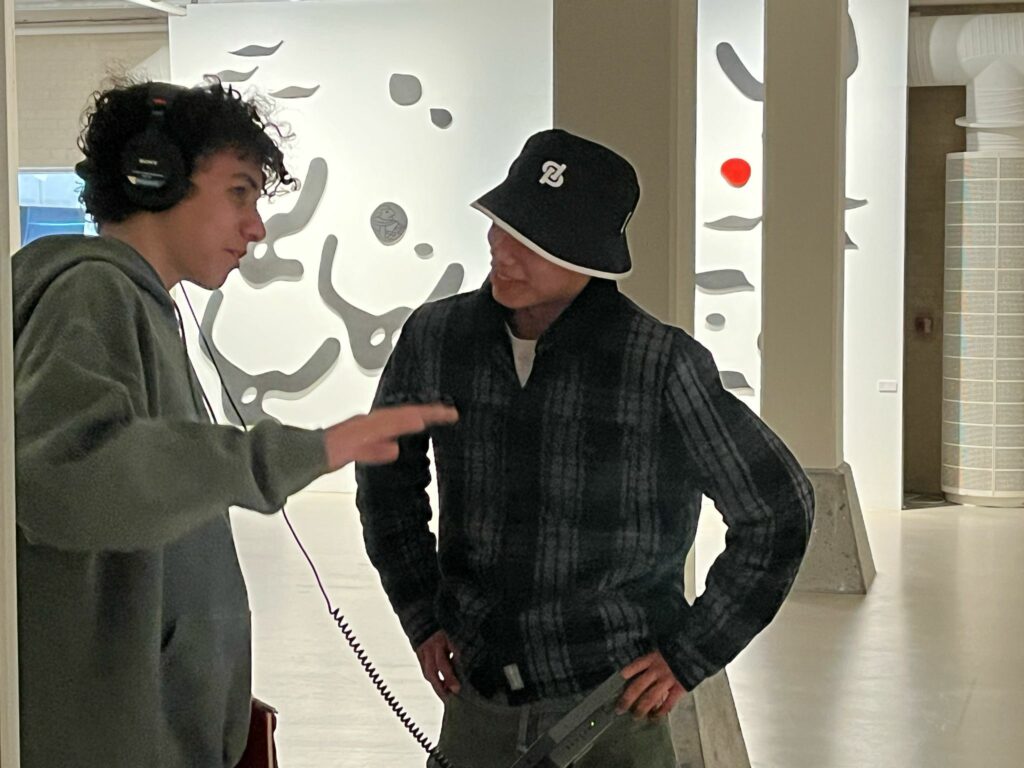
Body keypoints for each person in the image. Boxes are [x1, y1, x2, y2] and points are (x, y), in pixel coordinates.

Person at [11, 79, 457, 768]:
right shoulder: (90, 294)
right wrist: (294, 453)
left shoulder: (138, 307)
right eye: (239, 194)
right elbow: (69, 480)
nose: (256, 227)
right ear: (154, 178)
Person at [356, 128, 815, 767]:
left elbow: (779, 508)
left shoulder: (659, 364)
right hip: (477, 699)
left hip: (612, 710)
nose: (503, 251)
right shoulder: (437, 338)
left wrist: (690, 655)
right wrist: (421, 614)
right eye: (502, 225)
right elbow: (385, 476)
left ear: (590, 258)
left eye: (534, 242)